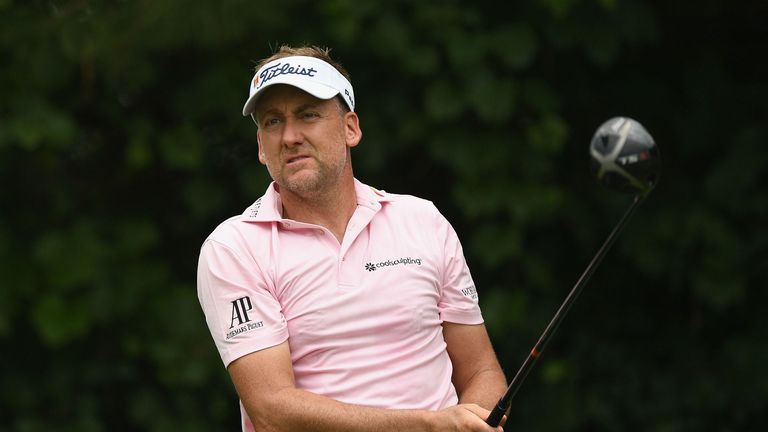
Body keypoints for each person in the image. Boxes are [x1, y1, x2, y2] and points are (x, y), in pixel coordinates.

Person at [197, 45, 507, 431]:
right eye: (272, 122)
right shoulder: (234, 248)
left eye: (308, 115)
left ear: (351, 128)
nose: (290, 136)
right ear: (261, 146)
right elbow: (273, 411)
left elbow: (480, 370)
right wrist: (432, 426)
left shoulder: (423, 220)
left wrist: (474, 420)